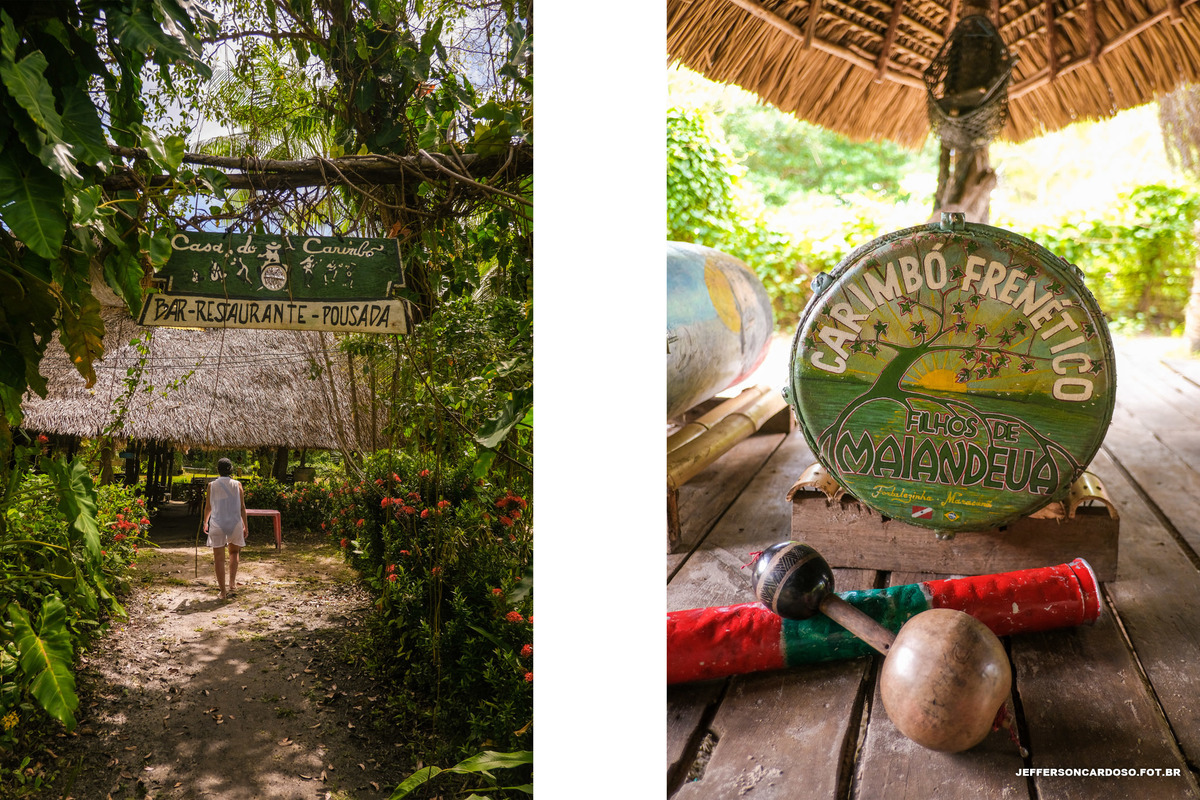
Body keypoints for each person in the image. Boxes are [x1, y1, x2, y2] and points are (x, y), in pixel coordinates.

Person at [202, 458, 249, 599]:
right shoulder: (238, 484)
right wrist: (245, 524)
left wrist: (205, 522)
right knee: (234, 553)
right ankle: (232, 583)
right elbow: (242, 507)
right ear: (231, 469)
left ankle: (223, 591)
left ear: (218, 469)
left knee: (219, 558)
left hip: (217, 523)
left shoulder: (211, 485)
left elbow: (208, 507)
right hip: (234, 523)